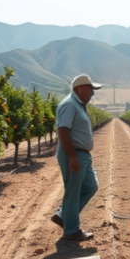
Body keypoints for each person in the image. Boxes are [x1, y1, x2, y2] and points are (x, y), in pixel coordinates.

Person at [51, 74, 101, 241]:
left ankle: (63, 215)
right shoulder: (70, 105)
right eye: (90, 89)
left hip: (82, 154)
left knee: (91, 186)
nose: (92, 93)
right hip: (74, 153)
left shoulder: (77, 105)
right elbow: (63, 130)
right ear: (80, 88)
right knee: (73, 192)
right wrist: (72, 157)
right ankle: (71, 230)